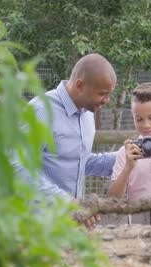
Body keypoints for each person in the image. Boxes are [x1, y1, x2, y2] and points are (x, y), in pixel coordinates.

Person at [13, 53, 117, 226]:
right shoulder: (40, 111)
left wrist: (123, 157)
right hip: (34, 225)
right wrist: (66, 202)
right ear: (80, 85)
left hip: (67, 226)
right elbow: (17, 167)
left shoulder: (86, 113)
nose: (107, 100)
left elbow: (79, 161)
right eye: (102, 94)